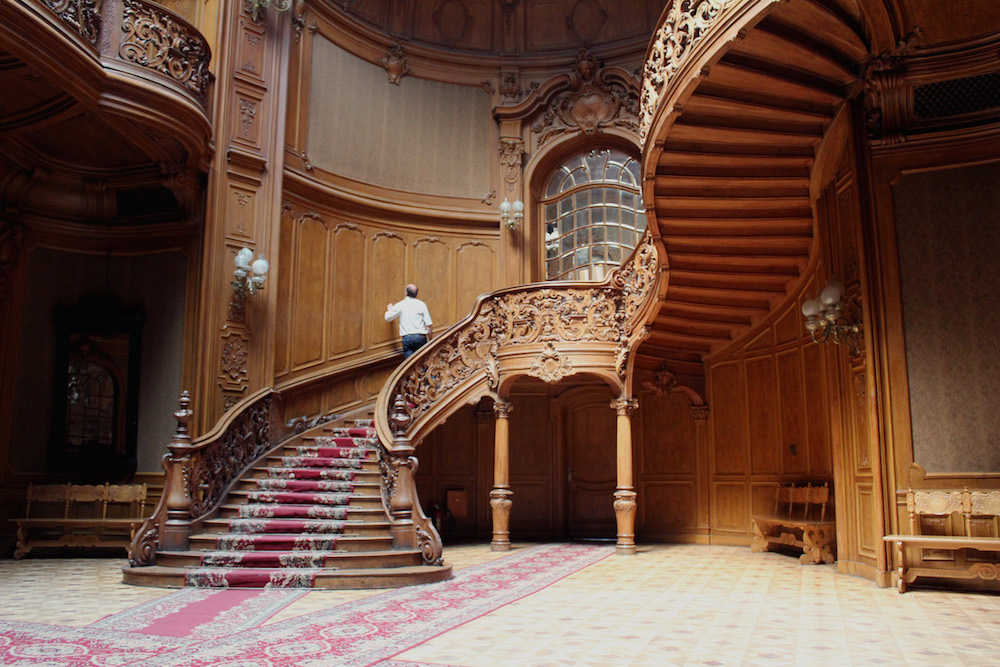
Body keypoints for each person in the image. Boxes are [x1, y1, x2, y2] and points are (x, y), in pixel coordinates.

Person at [384, 284, 433, 360]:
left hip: (407, 338)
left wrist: (390, 310)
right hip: (420, 337)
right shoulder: (421, 304)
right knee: (422, 361)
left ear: (406, 293)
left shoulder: (401, 305)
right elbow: (429, 325)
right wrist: (430, 340)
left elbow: (388, 318)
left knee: (409, 363)